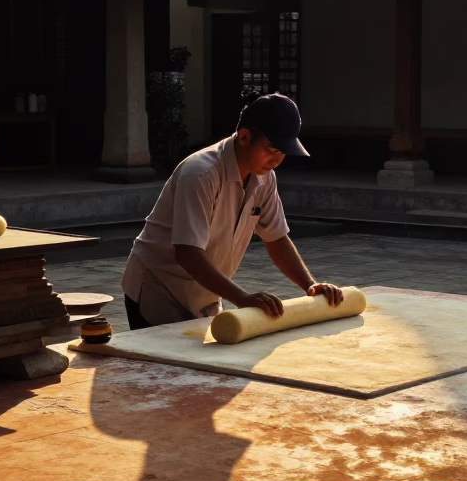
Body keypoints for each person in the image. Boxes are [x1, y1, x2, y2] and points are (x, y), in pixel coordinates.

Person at [121, 90, 344, 329]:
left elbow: (277, 238)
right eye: (271, 149)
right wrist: (241, 298)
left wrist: (309, 285)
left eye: (283, 152)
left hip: (204, 293)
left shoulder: (264, 177)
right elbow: (188, 253)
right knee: (164, 363)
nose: (277, 159)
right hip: (158, 288)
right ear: (245, 136)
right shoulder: (200, 173)